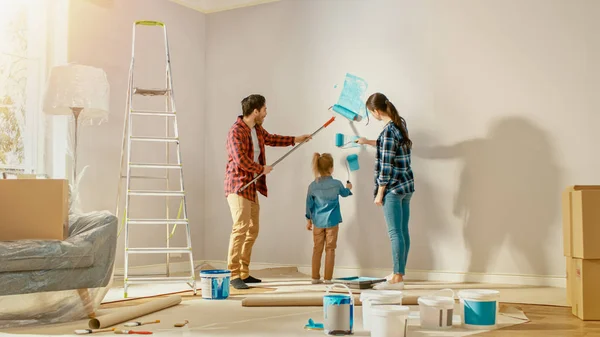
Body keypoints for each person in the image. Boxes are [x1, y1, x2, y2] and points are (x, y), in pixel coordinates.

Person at [225, 94, 311, 290]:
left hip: (252, 186)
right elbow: (239, 160)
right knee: (240, 228)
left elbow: (271, 139)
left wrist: (296, 139)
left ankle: (244, 273)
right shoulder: (235, 131)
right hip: (237, 186)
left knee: (253, 229)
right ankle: (233, 274)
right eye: (264, 110)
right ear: (255, 111)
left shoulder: (256, 129)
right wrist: (260, 168)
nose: (266, 113)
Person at [356, 92, 414, 290]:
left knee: (394, 233)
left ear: (377, 111)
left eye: (371, 113)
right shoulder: (400, 124)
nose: (372, 116)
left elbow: (386, 166)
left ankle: (397, 276)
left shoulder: (388, 131)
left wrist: (380, 193)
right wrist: (367, 142)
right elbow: (388, 147)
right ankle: (399, 273)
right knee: (403, 231)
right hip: (406, 186)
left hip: (393, 188)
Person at [305, 153, 353, 284]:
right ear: (331, 168)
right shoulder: (337, 184)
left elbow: (309, 204)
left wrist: (308, 219)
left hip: (318, 222)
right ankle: (327, 279)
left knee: (317, 249)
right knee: (330, 249)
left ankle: (315, 278)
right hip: (332, 221)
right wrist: (348, 188)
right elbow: (344, 194)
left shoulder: (312, 185)